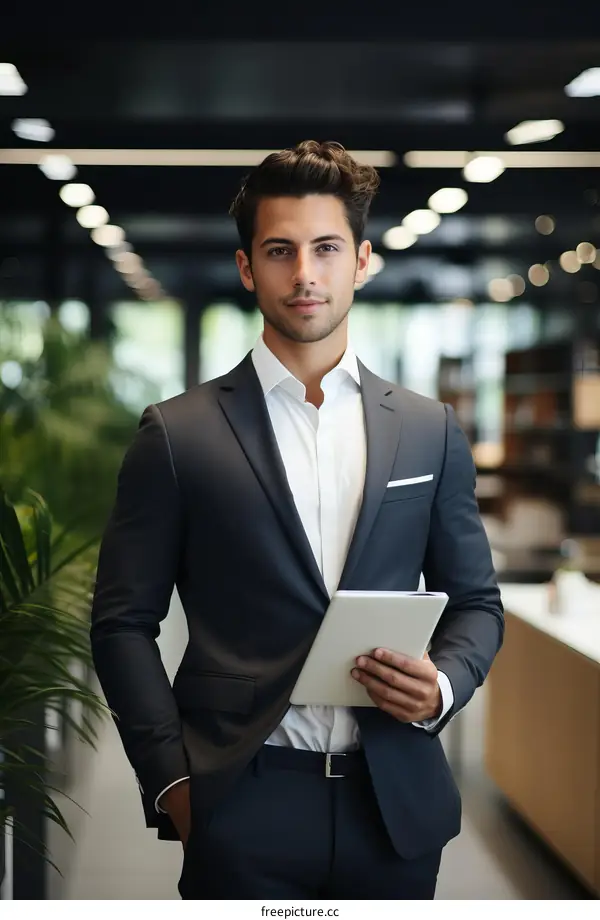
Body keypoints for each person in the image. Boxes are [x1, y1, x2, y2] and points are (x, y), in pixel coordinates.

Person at [90, 140, 504, 900]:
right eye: (280, 251)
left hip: (395, 807)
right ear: (248, 268)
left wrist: (443, 684)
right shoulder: (178, 435)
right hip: (241, 800)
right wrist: (171, 781)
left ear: (363, 261)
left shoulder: (427, 430)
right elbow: (121, 623)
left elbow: (477, 603)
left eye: (325, 248)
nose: (305, 274)